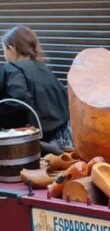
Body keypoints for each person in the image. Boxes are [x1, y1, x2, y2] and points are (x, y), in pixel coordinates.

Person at [1, 25, 72, 153]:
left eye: (3, 50)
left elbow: (18, 103)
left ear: (10, 48)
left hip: (33, 144)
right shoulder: (44, 69)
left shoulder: (12, 69)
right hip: (58, 140)